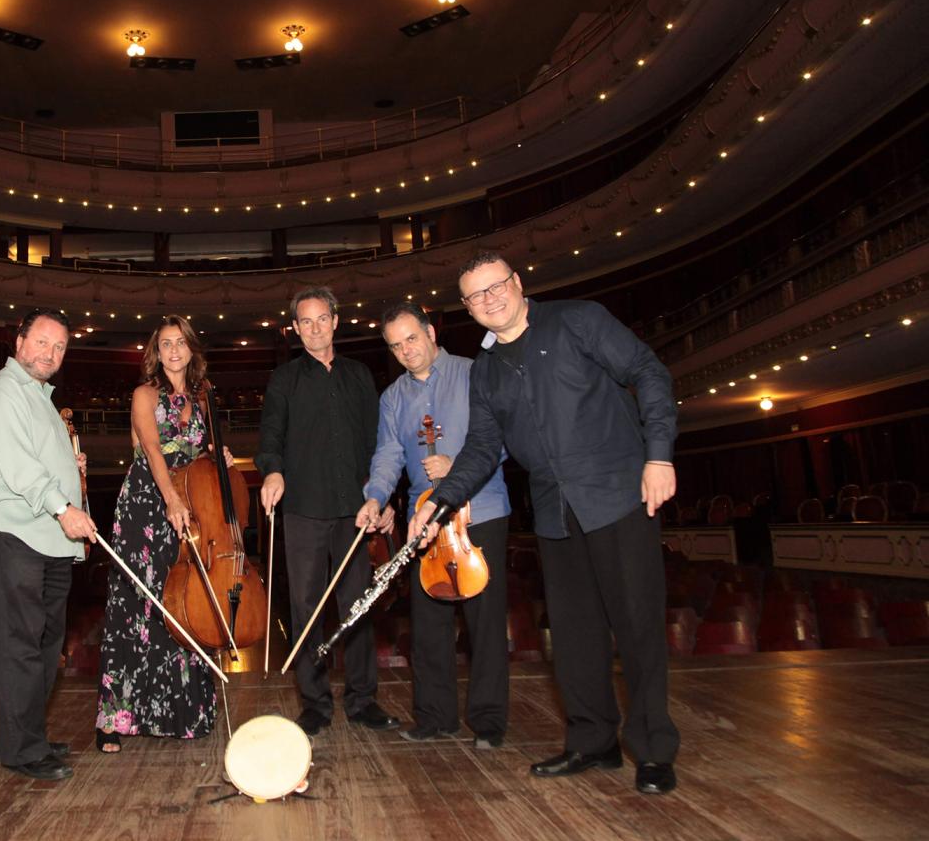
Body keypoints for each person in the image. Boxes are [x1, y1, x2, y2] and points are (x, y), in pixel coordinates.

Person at [412, 251, 680, 795]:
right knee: (574, 635)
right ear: (467, 308)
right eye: (475, 296)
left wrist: (659, 455)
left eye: (496, 286)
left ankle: (653, 749)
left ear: (518, 282)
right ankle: (593, 741)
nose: (489, 300)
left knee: (637, 627)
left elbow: (648, 371)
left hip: (617, 495)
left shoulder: (580, 319)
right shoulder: (485, 371)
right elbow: (484, 447)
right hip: (554, 512)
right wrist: (439, 504)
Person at [355, 301, 511, 746]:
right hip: (424, 523)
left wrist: (457, 465)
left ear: (429, 333)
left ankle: (488, 722)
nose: (406, 350)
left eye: (411, 338)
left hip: (480, 512)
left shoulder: (474, 373)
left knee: (484, 623)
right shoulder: (393, 398)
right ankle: (435, 717)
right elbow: (388, 456)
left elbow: (500, 441)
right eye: (396, 346)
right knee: (429, 624)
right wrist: (374, 497)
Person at [257, 286, 400, 736]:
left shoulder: (359, 376)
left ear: (335, 322)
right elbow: (269, 438)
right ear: (295, 329)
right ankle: (315, 703)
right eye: (306, 321)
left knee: (358, 604)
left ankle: (362, 700)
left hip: (356, 511)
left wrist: (385, 494)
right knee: (305, 608)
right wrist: (273, 472)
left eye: (323, 319)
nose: (315, 328)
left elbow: (379, 444)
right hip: (302, 509)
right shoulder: (284, 379)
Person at [0, 308, 96, 782]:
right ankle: (24, 748)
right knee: (20, 644)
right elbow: (20, 468)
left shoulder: (43, 400)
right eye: (42, 342)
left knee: (45, 645)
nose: (50, 353)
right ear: (20, 342)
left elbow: (41, 460)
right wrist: (64, 507)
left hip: (48, 539)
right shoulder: (3, 391)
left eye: (60, 347)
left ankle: (17, 737)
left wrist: (68, 464)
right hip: (11, 532)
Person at [94, 315, 221, 753]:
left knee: (184, 605)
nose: (173, 350)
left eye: (180, 342)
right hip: (147, 506)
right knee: (136, 607)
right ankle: (117, 720)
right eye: (165, 343)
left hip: (189, 505)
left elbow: (201, 452)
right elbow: (151, 449)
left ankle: (184, 713)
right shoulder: (144, 395)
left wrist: (216, 454)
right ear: (156, 351)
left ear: (191, 349)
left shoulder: (205, 397)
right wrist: (170, 500)